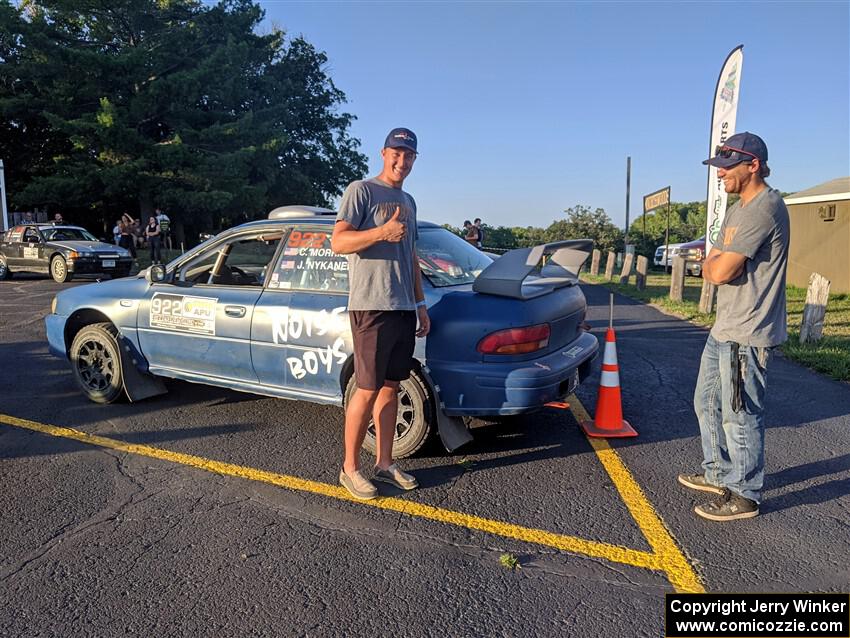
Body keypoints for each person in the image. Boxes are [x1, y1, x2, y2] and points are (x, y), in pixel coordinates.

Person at [678, 132, 789, 522]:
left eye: (728, 166)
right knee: (706, 402)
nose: (721, 172)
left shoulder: (764, 207)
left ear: (753, 165)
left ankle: (744, 495)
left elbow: (719, 269)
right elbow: (715, 260)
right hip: (725, 325)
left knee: (739, 414)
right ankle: (717, 473)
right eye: (719, 166)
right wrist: (714, 264)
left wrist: (712, 266)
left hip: (746, 329)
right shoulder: (738, 206)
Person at [330, 127, 430, 500]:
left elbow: (412, 259)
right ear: (384, 153)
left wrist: (420, 305)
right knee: (367, 389)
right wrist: (381, 232)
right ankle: (349, 468)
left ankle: (385, 462)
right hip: (371, 305)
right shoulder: (362, 190)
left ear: (414, 160)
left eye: (409, 156)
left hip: (403, 306)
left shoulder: (410, 201)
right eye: (396, 154)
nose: (402, 162)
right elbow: (339, 241)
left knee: (391, 387)